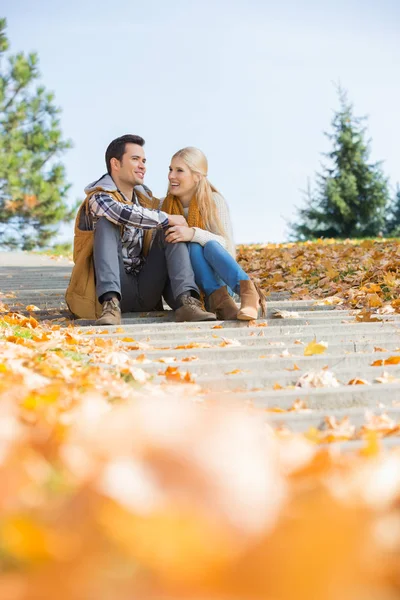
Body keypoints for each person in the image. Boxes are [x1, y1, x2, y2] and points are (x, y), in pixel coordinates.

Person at [65, 135, 216, 326]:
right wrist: (166, 217)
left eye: (144, 161)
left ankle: (187, 302)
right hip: (112, 288)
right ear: (115, 163)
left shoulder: (145, 199)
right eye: (135, 159)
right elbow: (120, 212)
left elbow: (177, 199)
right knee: (107, 223)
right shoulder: (99, 197)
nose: (142, 165)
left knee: (170, 229)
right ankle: (110, 305)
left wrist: (198, 186)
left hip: (147, 287)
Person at [162, 147, 266, 320]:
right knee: (194, 247)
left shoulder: (214, 201)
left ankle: (247, 293)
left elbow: (227, 247)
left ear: (197, 176)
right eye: (170, 169)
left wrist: (193, 233)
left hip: (221, 281)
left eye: (179, 170)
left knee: (205, 244)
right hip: (186, 289)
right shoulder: (164, 207)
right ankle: (221, 303)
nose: (171, 176)